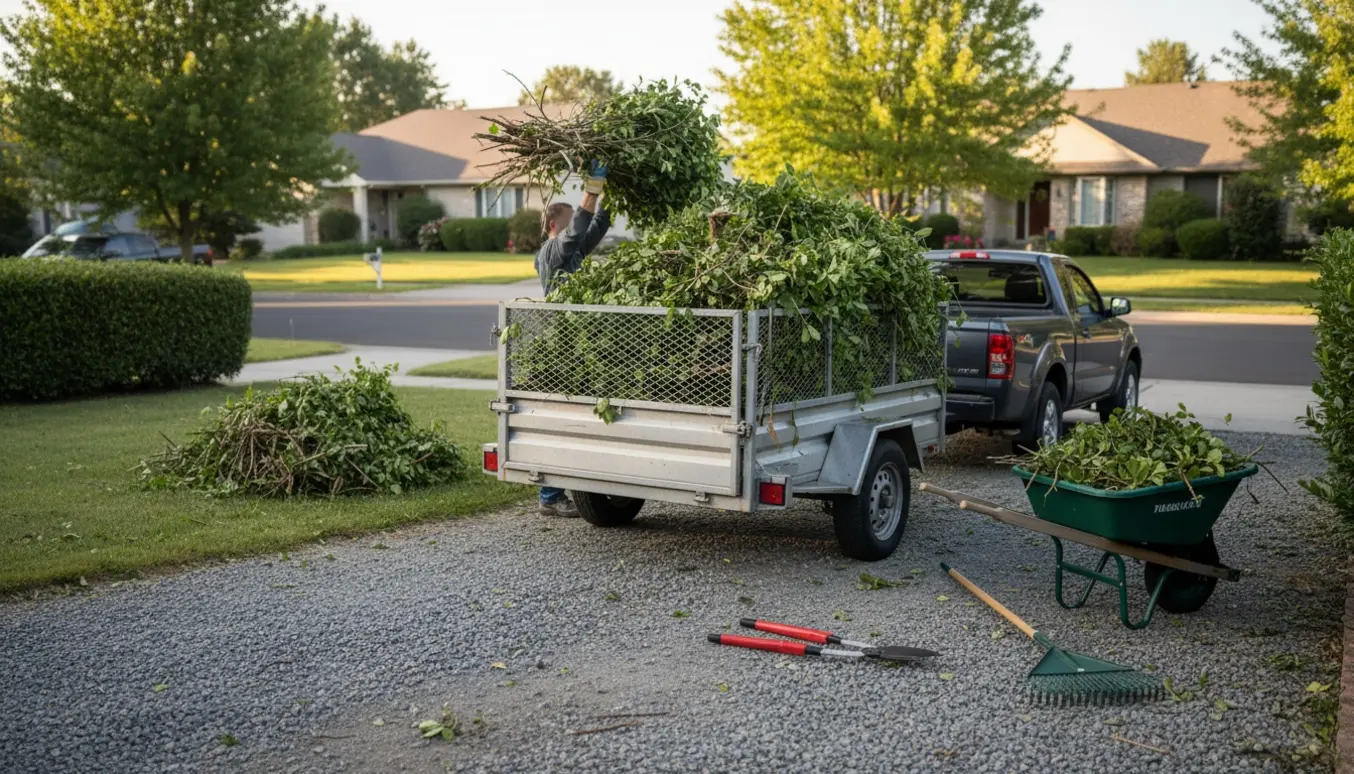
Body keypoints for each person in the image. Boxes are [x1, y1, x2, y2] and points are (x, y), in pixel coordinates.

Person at [533, 161, 611, 516]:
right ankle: (550, 496)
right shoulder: (552, 252)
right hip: (560, 344)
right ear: (554, 226)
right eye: (566, 225)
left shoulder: (574, 251)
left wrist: (612, 192)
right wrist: (591, 187)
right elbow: (579, 225)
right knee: (560, 417)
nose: (572, 230)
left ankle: (576, 483)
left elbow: (595, 226)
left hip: (578, 340)